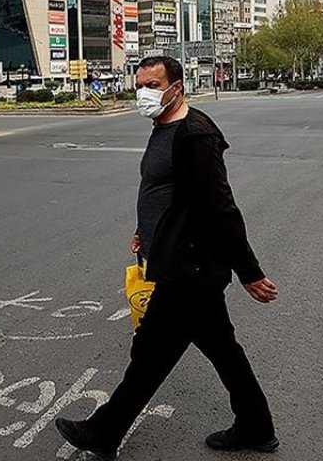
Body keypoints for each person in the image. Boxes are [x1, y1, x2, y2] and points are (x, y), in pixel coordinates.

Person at [56, 56, 280, 459]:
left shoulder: (195, 136)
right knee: (218, 349)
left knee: (150, 353)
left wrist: (249, 271)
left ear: (177, 87)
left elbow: (220, 208)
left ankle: (105, 432)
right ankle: (256, 425)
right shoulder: (164, 126)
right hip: (179, 259)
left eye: (154, 84)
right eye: (140, 84)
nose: (145, 92)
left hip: (190, 267)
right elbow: (165, 192)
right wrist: (147, 230)